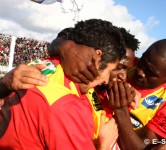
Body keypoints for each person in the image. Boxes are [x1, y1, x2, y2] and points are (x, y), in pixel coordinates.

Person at [0, 19, 127, 149]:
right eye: (110, 70)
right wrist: (105, 144)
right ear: (97, 58)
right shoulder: (67, 107)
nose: (106, 80)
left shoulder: (45, 64)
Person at [108, 38, 166, 149]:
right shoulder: (127, 63)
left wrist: (121, 111)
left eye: (150, 72)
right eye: (143, 61)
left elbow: (142, 147)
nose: (140, 71)